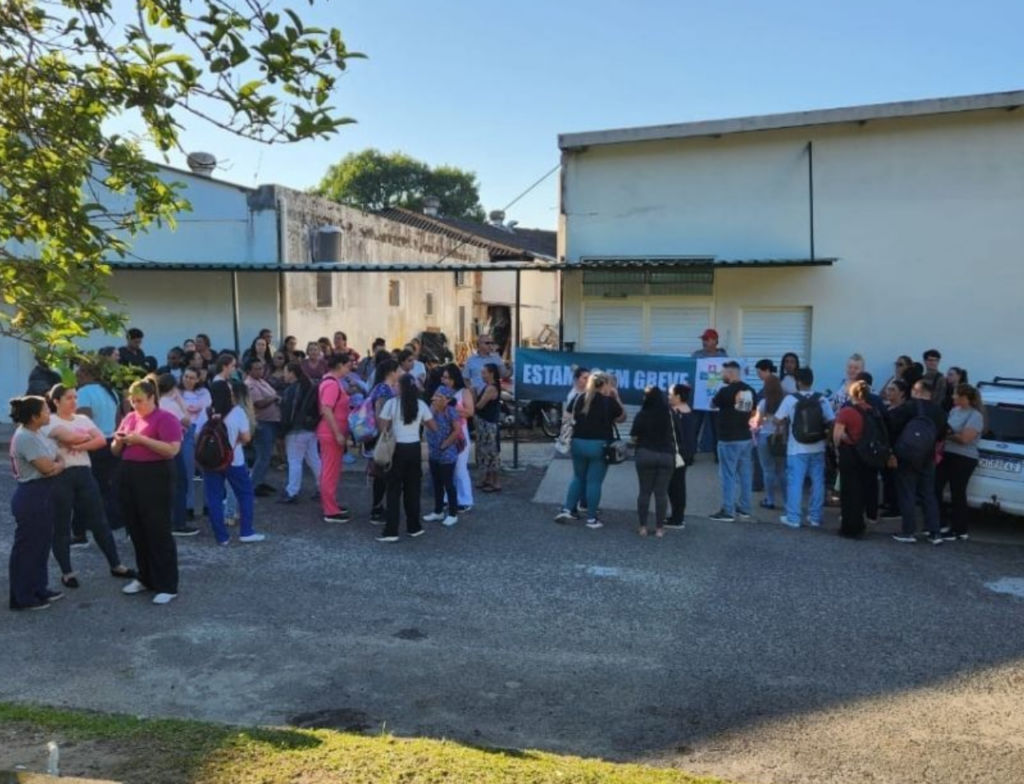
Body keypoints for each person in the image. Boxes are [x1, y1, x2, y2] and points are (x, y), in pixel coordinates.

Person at [42, 385, 134, 588]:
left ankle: (116, 564)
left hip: (84, 472)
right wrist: (82, 440)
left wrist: (77, 446)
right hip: (61, 476)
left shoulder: (82, 419)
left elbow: (100, 440)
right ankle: (67, 572)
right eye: (68, 398)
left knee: (99, 521)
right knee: (62, 525)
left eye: (75, 397)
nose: (74, 401)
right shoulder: (49, 421)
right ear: (56, 401)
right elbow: (67, 437)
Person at [111, 379, 182, 605]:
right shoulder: (130, 417)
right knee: (136, 529)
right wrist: (119, 441)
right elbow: (114, 450)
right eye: (132, 400)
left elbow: (172, 449)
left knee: (158, 530)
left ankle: (167, 584)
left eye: (140, 400)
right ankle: (145, 577)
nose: (135, 405)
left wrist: (141, 439)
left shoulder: (166, 418)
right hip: (129, 474)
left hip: (155, 475)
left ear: (153, 398)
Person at [8, 396, 66, 611]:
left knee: (41, 545)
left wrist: (57, 464)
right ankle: (22, 597)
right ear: (34, 416)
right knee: (27, 548)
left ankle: (38, 588)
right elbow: (47, 467)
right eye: (45, 410)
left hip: (44, 493)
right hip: (32, 495)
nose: (49, 412)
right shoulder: (25, 437)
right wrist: (58, 465)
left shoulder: (37, 433)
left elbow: (58, 458)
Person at [553, 371, 626, 529]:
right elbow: (622, 418)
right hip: (599, 445)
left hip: (578, 443)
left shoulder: (579, 397)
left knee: (578, 477)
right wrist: (616, 397)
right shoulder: (608, 401)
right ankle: (591, 519)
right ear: (605, 384)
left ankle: (567, 509)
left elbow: (567, 416)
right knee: (594, 482)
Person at [886, 378, 948, 545]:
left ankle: (908, 531)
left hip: (906, 456)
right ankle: (934, 532)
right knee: (929, 493)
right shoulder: (940, 412)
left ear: (917, 391)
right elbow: (942, 436)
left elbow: (891, 426)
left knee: (907, 493)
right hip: (928, 457)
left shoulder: (909, 407)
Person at [376, 374, 437, 542]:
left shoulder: (391, 403)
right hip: (414, 448)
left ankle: (391, 531)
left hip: (397, 449)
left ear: (402, 387)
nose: (394, 386)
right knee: (413, 489)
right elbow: (433, 426)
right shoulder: (421, 404)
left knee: (394, 490)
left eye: (397, 384)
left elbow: (383, 427)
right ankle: (414, 527)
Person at [203, 381, 264, 546]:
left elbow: (197, 437)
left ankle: (222, 537)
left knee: (214, 497)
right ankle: (246, 531)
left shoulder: (207, 411)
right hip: (234, 459)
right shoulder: (237, 412)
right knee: (245, 494)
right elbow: (246, 437)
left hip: (210, 461)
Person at [774, 367, 835, 528]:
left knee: (795, 482)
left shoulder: (790, 400)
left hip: (797, 448)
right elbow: (831, 421)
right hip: (818, 446)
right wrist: (827, 440)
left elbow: (778, 420)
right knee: (818, 482)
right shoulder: (822, 399)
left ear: (798, 382)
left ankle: (793, 518)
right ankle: (815, 517)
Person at [74, 361, 122, 534]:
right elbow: (118, 420)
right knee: (107, 485)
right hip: (110, 442)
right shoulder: (111, 392)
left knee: (85, 486)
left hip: (93, 443)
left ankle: (84, 526)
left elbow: (84, 420)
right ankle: (111, 521)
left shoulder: (83, 392)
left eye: (79, 373)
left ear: (88, 374)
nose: (77, 376)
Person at [832, 380, 881, 539]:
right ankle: (862, 524)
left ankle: (849, 527)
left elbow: (837, 435)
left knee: (849, 492)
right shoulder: (873, 411)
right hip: (867, 455)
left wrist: (837, 451)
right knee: (863, 490)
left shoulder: (846, 411)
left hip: (850, 453)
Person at [708, 361, 756, 522]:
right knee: (745, 474)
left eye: (723, 373)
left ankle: (728, 510)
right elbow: (753, 411)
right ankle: (744, 508)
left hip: (728, 439)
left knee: (728, 475)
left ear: (730, 373)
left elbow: (712, 404)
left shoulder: (724, 391)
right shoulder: (750, 390)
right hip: (745, 438)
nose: (722, 376)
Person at [936, 383, 983, 542]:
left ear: (965, 398)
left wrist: (948, 434)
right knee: (935, 487)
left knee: (957, 493)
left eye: (956, 395)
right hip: (947, 455)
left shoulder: (975, 416)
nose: (953, 397)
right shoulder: (954, 411)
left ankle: (959, 530)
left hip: (964, 458)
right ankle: (940, 523)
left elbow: (964, 439)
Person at [156, 373, 200, 536]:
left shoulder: (158, 402)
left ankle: (168, 520)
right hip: (173, 446)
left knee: (167, 484)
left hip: (160, 446)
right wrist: (180, 401)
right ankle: (178, 522)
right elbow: (187, 420)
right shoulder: (170, 404)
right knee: (180, 482)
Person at [630, 386, 676, 538]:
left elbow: (634, 437)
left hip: (645, 454)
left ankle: (643, 527)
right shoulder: (670, 415)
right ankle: (659, 529)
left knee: (644, 492)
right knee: (661, 493)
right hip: (666, 456)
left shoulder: (642, 415)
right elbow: (678, 437)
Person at [276, 363, 322, 504]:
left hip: (296, 430)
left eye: (285, 371)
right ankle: (323, 487)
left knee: (295, 461)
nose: (284, 375)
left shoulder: (292, 389)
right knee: (314, 459)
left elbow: (288, 413)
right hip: (311, 428)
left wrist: (282, 431)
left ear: (292, 373)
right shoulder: (309, 385)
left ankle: (292, 491)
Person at [317, 352, 353, 523]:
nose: (350, 367)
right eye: (348, 365)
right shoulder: (331, 384)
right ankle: (330, 511)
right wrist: (338, 433)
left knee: (331, 470)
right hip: (331, 434)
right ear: (340, 365)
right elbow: (326, 409)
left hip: (331, 432)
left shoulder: (332, 381)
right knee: (330, 471)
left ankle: (331, 505)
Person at [423, 386, 464, 528]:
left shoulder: (451, 411)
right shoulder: (431, 409)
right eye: (435, 395)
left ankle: (453, 513)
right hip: (433, 451)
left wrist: (445, 444)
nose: (435, 399)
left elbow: (457, 430)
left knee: (448, 483)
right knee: (437, 482)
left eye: (439, 397)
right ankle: (438, 510)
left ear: (446, 399)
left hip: (447, 452)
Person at [365, 359, 400, 523]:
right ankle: (377, 510)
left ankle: (378, 508)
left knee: (380, 473)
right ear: (391, 372)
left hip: (378, 436)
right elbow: (381, 414)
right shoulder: (384, 390)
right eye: (398, 370)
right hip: (382, 436)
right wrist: (385, 435)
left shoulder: (379, 387)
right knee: (382, 474)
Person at [440, 363, 475, 514]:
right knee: (448, 468)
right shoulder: (441, 391)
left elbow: (470, 412)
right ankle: (448, 498)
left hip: (460, 433)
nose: (445, 380)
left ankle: (466, 499)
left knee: (460, 467)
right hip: (444, 433)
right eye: (443, 377)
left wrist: (453, 408)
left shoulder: (464, 392)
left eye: (448, 378)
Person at [244, 358, 281, 497]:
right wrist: (274, 398)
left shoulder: (261, 381)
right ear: (249, 370)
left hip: (271, 421)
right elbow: (259, 403)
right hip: (262, 422)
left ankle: (260, 481)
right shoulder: (249, 384)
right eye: (257, 368)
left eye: (261, 368)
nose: (260, 371)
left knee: (265, 455)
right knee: (263, 455)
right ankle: (253, 485)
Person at [179, 367, 210, 521]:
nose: (188, 380)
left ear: (198, 379)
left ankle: (207, 504)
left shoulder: (204, 393)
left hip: (202, 433)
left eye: (192, 377)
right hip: (185, 434)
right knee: (188, 472)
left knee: (206, 471)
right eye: (186, 376)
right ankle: (189, 506)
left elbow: (206, 411)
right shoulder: (177, 393)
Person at [665, 384, 697, 529]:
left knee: (675, 486)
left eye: (671, 394)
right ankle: (677, 516)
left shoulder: (675, 412)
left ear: (678, 396)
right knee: (678, 484)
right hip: (687, 453)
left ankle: (677, 519)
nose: (668, 396)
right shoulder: (689, 410)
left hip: (677, 453)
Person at [752, 375, 787, 511]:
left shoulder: (763, 403)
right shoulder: (785, 402)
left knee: (768, 470)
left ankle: (770, 499)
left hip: (765, 438)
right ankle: (787, 500)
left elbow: (757, 422)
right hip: (780, 438)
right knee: (781, 470)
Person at [692, 328, 728, 455]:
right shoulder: (697, 355)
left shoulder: (723, 357)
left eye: (707, 339)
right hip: (699, 396)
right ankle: (689, 455)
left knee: (717, 428)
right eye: (703, 339)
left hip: (716, 396)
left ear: (715, 341)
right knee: (694, 427)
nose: (704, 342)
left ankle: (718, 456)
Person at [878, 378, 910, 518]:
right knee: (887, 477)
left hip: (896, 449)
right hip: (885, 448)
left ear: (902, 393)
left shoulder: (903, 411)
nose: (888, 392)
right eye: (888, 389)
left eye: (893, 390)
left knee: (895, 479)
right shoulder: (887, 407)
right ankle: (887, 502)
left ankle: (895, 508)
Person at [474, 363, 503, 492]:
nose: (482, 375)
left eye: (484, 372)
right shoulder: (487, 387)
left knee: (491, 453)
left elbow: (479, 405)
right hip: (483, 424)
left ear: (491, 373)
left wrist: (472, 394)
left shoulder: (491, 388)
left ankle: (495, 482)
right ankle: (488, 479)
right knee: (484, 452)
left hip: (488, 424)